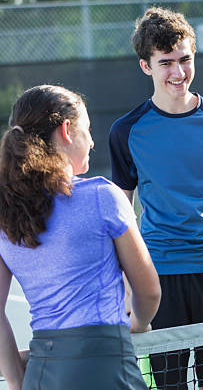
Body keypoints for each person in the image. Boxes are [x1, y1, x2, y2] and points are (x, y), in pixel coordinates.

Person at [109, 7, 203, 390]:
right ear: (145, 66)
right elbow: (120, 212)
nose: (178, 72)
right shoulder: (126, 131)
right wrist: (124, 279)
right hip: (157, 277)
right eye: (165, 62)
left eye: (185, 59)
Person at [0, 85, 161, 390]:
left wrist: (19, 381)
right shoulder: (102, 196)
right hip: (105, 366)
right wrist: (138, 322)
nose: (92, 141)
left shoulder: (4, 211)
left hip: (41, 373)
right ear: (67, 130)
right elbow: (149, 291)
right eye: (87, 130)